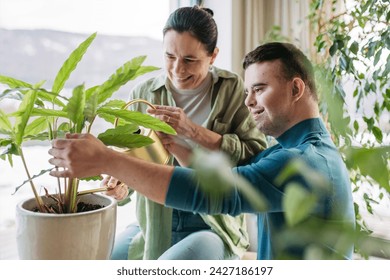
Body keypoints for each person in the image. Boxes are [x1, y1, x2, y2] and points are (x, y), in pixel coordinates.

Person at [48, 42, 356, 259]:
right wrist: (176, 146)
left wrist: (107, 159)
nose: (248, 101)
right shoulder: (292, 151)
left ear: (296, 89)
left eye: (259, 89)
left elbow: (215, 193)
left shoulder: (305, 162)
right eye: (248, 91)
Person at [97, 5, 267, 260]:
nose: (177, 69)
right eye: (169, 56)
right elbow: (127, 166)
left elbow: (257, 157)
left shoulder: (232, 90)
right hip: (155, 222)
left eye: (189, 60)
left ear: (213, 56)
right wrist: (119, 187)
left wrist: (193, 131)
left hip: (212, 223)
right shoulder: (143, 95)